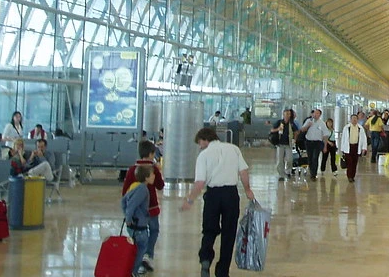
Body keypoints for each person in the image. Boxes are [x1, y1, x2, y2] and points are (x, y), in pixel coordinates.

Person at [180, 128, 254, 277]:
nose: (200, 146)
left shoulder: (204, 155)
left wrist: (190, 200)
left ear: (205, 139)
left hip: (213, 195)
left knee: (209, 230)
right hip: (231, 195)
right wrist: (247, 190)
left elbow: (200, 182)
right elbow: (243, 172)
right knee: (229, 233)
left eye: (200, 143)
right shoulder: (233, 149)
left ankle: (206, 259)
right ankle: (222, 271)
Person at [122, 141, 164, 272]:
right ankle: (147, 255)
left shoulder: (132, 169)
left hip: (136, 212)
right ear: (151, 154)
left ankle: (137, 258)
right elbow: (160, 185)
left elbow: (125, 191)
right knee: (154, 230)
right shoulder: (153, 169)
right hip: (151, 207)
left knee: (140, 233)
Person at [122, 165, 154, 277]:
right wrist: (129, 218)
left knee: (137, 248)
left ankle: (131, 270)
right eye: (152, 174)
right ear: (146, 177)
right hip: (138, 226)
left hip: (135, 225)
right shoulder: (142, 189)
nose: (154, 176)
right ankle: (133, 271)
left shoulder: (134, 187)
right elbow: (132, 205)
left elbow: (124, 201)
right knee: (140, 249)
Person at [339, 113, 368, 182]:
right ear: (350, 120)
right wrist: (342, 148)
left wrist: (364, 148)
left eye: (355, 119)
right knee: (349, 163)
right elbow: (343, 138)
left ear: (357, 120)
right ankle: (349, 176)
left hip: (356, 147)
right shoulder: (346, 128)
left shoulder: (360, 128)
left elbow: (364, 139)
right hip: (348, 147)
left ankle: (353, 176)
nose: (354, 120)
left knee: (355, 162)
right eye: (353, 119)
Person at [270, 109, 297, 181]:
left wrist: (294, 139)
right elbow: (272, 130)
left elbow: (296, 131)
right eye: (286, 114)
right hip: (280, 144)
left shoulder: (291, 124)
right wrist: (278, 129)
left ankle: (288, 172)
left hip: (288, 144)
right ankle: (281, 174)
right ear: (283, 115)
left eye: (288, 114)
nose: (287, 116)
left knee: (289, 159)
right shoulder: (279, 122)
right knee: (280, 160)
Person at [303, 108, 329, 181]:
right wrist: (308, 125)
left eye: (317, 113)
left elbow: (325, 135)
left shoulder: (322, 123)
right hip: (309, 142)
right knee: (310, 158)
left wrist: (325, 146)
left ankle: (314, 174)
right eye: (314, 113)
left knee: (315, 157)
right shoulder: (309, 121)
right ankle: (311, 171)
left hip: (317, 143)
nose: (315, 114)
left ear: (320, 115)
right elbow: (302, 130)